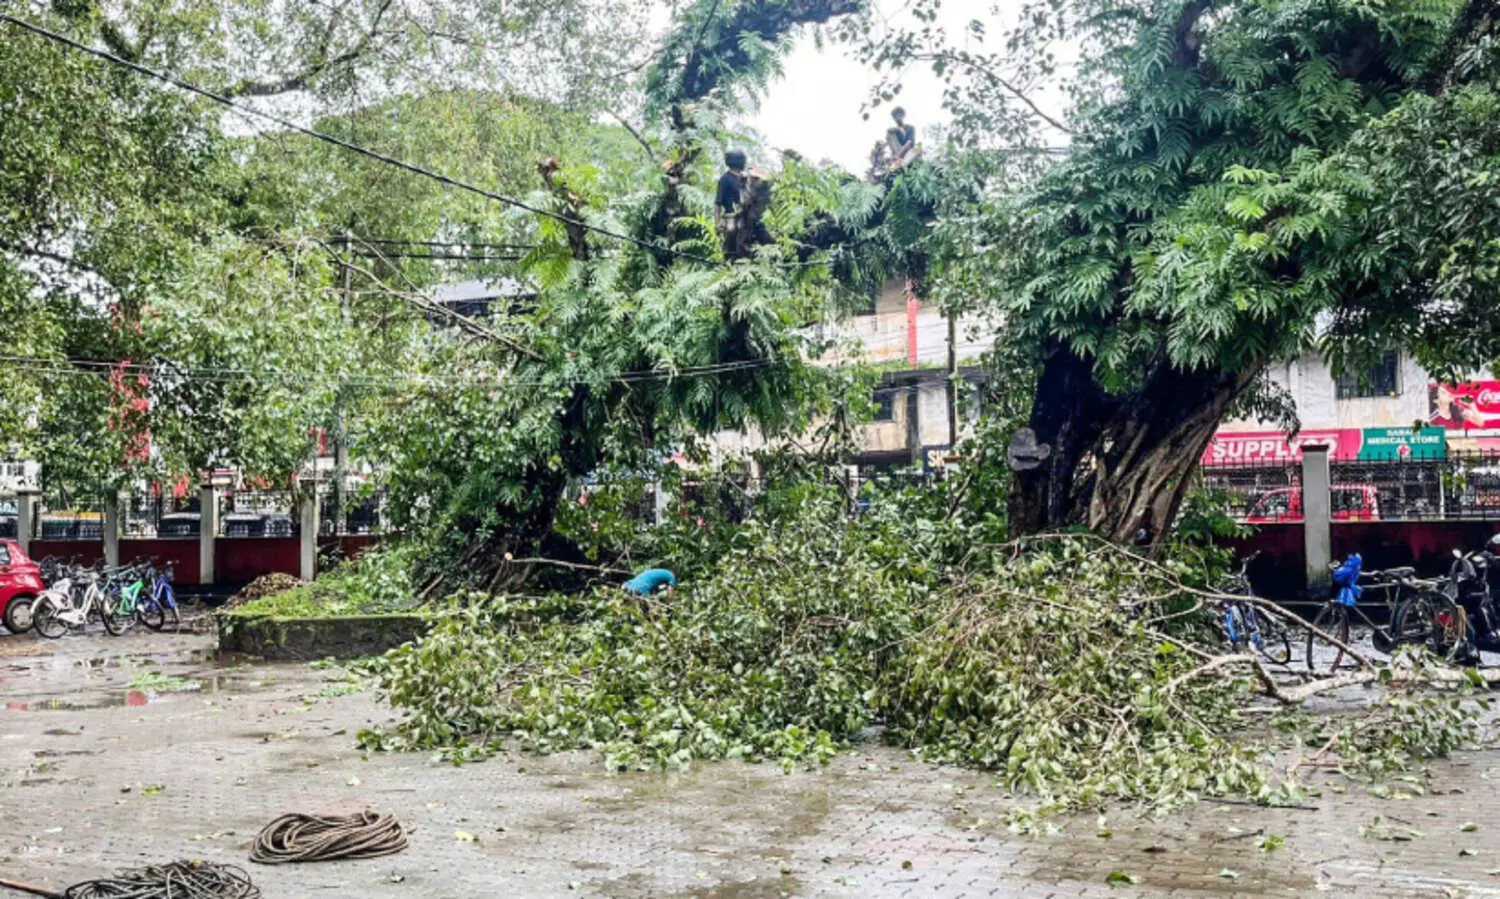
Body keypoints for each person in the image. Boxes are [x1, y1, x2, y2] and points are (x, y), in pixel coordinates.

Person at [715, 149, 748, 252]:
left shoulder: (745, 179)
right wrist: (717, 223)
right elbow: (718, 203)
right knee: (731, 235)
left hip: (747, 216)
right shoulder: (725, 179)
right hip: (731, 217)